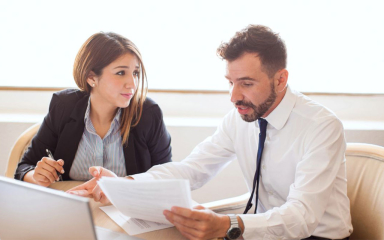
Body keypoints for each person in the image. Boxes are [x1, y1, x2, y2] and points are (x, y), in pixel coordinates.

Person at [69, 25, 353, 240]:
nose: (234, 96)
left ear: (280, 79)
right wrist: (122, 183)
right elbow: (192, 170)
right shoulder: (239, 119)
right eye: (230, 82)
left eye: (247, 83)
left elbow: (302, 217)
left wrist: (229, 224)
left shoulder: (321, 126)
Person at [14, 32, 172, 187]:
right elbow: (24, 168)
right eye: (121, 73)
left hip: (126, 210)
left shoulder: (148, 114)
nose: (132, 84)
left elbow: (166, 178)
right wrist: (37, 176)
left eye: (135, 73)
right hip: (73, 207)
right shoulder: (63, 106)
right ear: (91, 77)